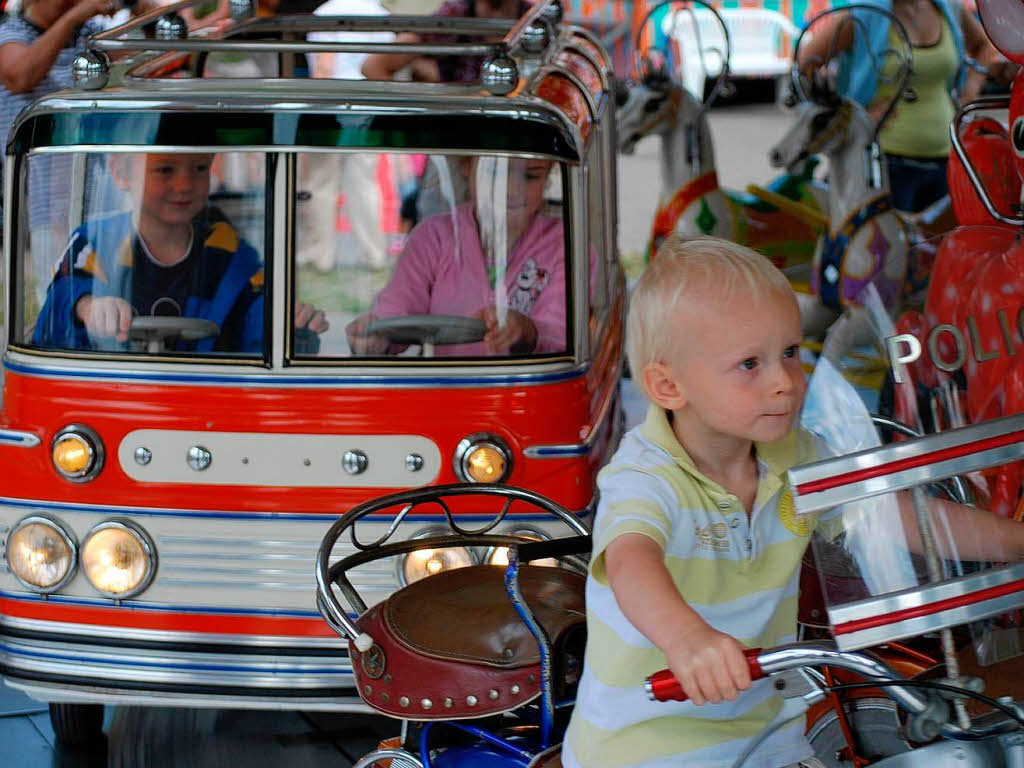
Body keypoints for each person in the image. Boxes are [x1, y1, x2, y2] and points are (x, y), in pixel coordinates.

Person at [562, 235, 1024, 768]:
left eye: (790, 352)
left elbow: (893, 516)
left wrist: (1014, 543)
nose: (785, 381)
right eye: (749, 365)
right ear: (668, 386)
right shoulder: (646, 474)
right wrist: (686, 637)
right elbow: (630, 560)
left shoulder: (793, 452)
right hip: (645, 745)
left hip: (768, 733)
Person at [32, 152, 328, 353]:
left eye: (200, 168)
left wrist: (293, 324)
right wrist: (87, 306)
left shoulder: (230, 253)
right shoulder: (94, 239)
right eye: (165, 170)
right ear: (121, 173)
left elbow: (259, 322)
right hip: (112, 392)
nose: (185, 185)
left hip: (203, 402)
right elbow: (60, 297)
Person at [798, 0, 1018, 212]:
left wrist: (970, 90)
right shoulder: (863, 13)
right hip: (882, 164)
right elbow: (806, 66)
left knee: (938, 246)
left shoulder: (949, 8)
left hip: (948, 158)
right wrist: (847, 115)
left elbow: (983, 47)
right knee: (885, 247)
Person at [345, 156, 564, 356]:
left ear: (548, 175)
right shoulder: (432, 237)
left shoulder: (564, 244)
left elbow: (562, 334)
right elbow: (396, 309)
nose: (512, 190)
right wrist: (374, 336)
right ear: (466, 165)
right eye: (495, 173)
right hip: (445, 389)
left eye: (531, 176)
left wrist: (527, 330)